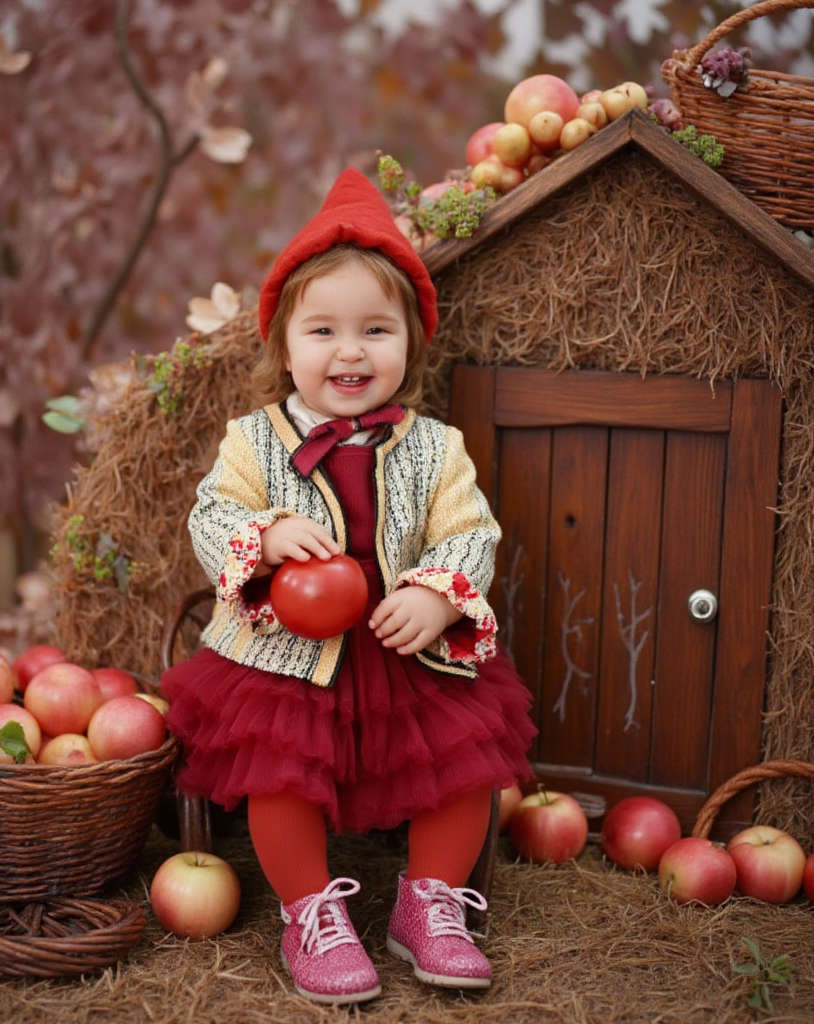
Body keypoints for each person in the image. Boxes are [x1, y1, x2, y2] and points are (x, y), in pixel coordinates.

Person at [160, 167, 536, 1006]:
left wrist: (440, 594)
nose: (351, 351)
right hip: (287, 653)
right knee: (279, 769)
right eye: (323, 330)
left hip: (402, 644)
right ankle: (309, 913)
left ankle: (429, 904)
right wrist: (263, 541)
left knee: (463, 760)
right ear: (284, 346)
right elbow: (207, 517)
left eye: (376, 329)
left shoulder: (438, 447)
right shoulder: (253, 441)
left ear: (411, 343)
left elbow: (472, 532)